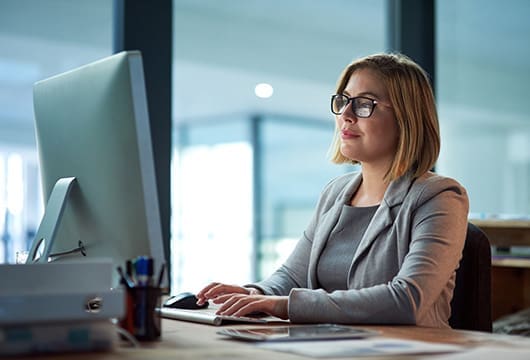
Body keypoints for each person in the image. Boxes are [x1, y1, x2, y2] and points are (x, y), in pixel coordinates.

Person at [196, 53, 469, 328]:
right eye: (344, 101)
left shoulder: (440, 197)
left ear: (405, 118)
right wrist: (257, 294)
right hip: (328, 346)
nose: (346, 115)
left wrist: (285, 305)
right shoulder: (336, 192)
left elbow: (406, 300)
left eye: (364, 104)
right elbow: (292, 276)